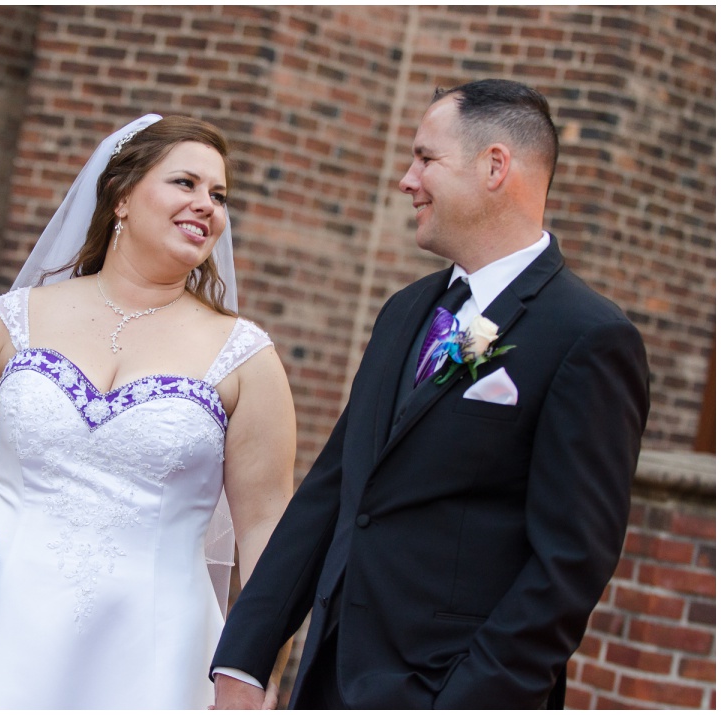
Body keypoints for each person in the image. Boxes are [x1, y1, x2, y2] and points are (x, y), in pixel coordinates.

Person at [210, 79, 650, 708]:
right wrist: (246, 661)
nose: (406, 180)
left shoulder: (589, 337)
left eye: (425, 158)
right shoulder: (404, 312)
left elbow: (568, 567)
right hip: (331, 683)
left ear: (495, 166)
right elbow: (335, 492)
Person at [0, 114, 296, 709]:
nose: (206, 205)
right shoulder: (13, 320)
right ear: (122, 196)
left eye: (219, 194)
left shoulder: (246, 359)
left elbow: (266, 533)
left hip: (156, 647)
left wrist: (257, 676)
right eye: (185, 183)